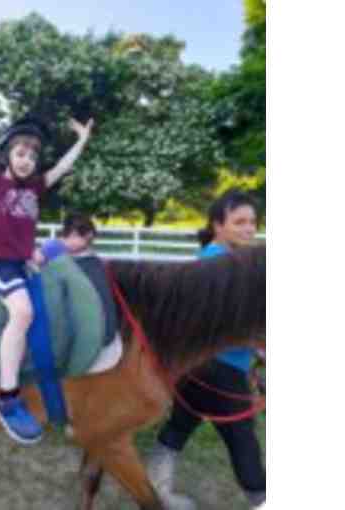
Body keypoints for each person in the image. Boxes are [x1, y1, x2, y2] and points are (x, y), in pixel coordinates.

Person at [0, 63, 94, 444]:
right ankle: (7, 397)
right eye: (20, 152)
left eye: (32, 154)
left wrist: (82, 140)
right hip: (0, 264)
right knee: (24, 312)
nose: (27, 158)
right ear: (8, 156)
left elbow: (63, 166)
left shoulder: (36, 188)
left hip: (23, 262)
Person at [146, 189, 266, 509]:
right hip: (220, 368)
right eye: (239, 222)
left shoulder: (219, 261)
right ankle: (262, 499)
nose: (249, 229)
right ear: (217, 225)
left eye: (252, 222)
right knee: (241, 437)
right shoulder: (218, 266)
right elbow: (220, 324)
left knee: (182, 422)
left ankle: (156, 485)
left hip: (199, 367)